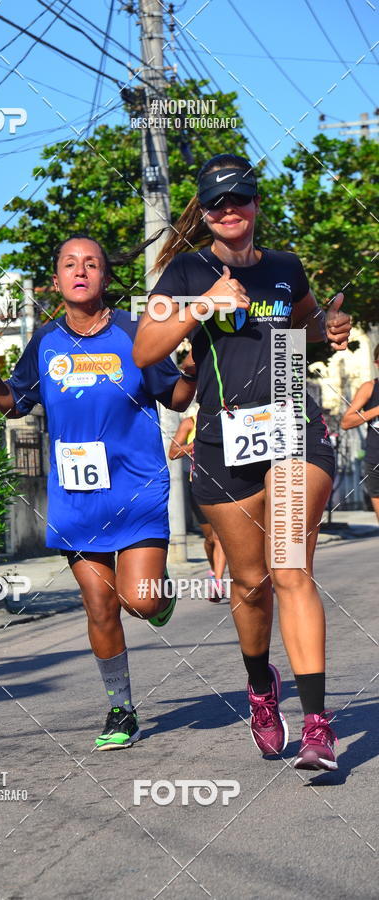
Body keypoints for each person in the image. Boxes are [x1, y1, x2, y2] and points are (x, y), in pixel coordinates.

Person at [133, 153, 352, 771]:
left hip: (291, 430)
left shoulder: (284, 270)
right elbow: (145, 350)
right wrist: (201, 305)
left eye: (241, 199)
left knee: (290, 569)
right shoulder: (183, 272)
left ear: (256, 205)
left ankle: (316, 725)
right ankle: (261, 689)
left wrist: (329, 328)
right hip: (222, 444)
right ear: (203, 213)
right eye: (216, 203)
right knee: (250, 587)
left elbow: (307, 327)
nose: (230, 210)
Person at [0, 234, 196, 750]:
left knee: (137, 601)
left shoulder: (137, 333)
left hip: (136, 490)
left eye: (92, 263)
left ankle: (160, 600)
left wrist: (192, 373)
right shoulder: (45, 342)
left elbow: (174, 396)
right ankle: (120, 709)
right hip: (77, 497)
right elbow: (13, 406)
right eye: (70, 264)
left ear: (106, 278)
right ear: (58, 279)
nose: (81, 270)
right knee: (99, 607)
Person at [169, 412, 227, 600]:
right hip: (199, 485)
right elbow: (173, 452)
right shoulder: (190, 423)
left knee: (220, 537)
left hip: (226, 485)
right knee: (210, 538)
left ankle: (217, 582)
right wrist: (197, 445)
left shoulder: (228, 418)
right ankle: (213, 570)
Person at [340, 343, 379, 523]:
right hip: (375, 461)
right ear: (376, 364)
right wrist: (375, 410)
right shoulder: (369, 388)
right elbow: (346, 422)